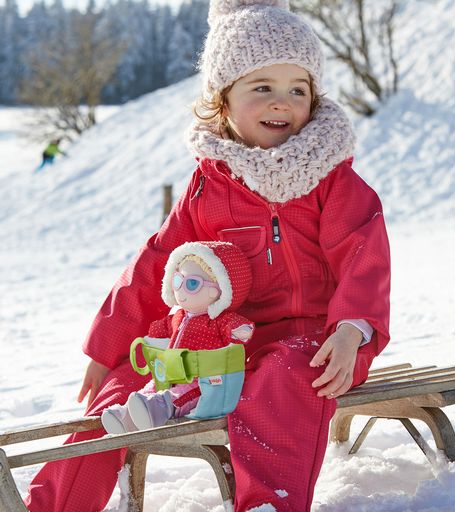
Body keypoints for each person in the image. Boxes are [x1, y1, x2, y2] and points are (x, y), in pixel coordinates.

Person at [24, 0, 391, 510]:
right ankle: (51, 504)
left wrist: (353, 330)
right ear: (222, 100)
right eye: (262, 87)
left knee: (285, 379)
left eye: (298, 89)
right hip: (215, 342)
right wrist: (106, 348)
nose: (282, 102)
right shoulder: (209, 185)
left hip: (316, 342)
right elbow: (157, 263)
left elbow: (364, 256)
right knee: (121, 390)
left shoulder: (330, 180)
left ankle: (267, 502)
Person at [101, 240, 254, 433]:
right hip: (171, 374)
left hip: (202, 381)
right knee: (149, 391)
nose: (181, 290)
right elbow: (161, 328)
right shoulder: (179, 317)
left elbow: (238, 328)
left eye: (191, 284)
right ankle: (126, 417)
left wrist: (240, 331)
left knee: (177, 396)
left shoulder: (217, 320)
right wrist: (153, 338)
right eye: (177, 281)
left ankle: (156, 410)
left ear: (219, 289)